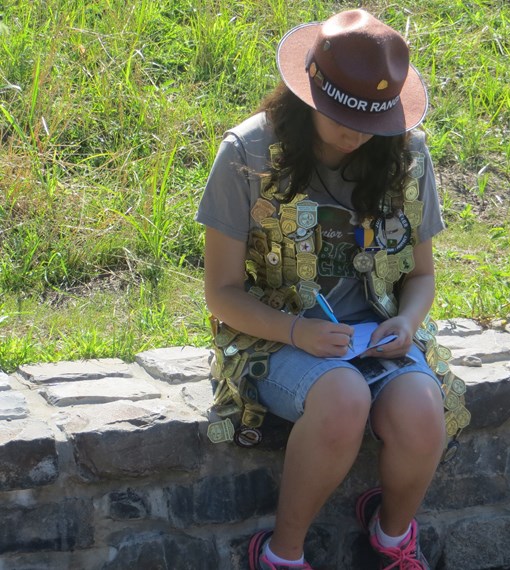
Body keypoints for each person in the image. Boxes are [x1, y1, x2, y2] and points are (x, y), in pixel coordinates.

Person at [197, 8, 469, 569]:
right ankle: (282, 555)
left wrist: (408, 324)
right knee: (343, 398)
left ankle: (392, 539)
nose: (357, 133)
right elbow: (221, 293)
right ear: (308, 91)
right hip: (271, 338)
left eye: (373, 120)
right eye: (343, 115)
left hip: (375, 335)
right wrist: (298, 330)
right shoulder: (247, 154)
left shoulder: (408, 154)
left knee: (423, 412)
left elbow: (421, 276)